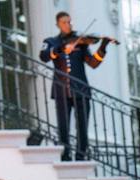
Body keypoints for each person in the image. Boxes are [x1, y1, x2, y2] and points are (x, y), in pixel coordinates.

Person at [39, 11, 111, 161]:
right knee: (63, 126)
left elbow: (93, 63)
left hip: (81, 90)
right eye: (64, 22)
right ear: (58, 24)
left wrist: (103, 46)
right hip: (61, 90)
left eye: (70, 22)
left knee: (82, 127)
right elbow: (43, 56)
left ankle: (81, 155)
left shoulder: (81, 43)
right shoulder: (51, 41)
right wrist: (61, 49)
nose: (68, 25)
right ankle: (65, 155)